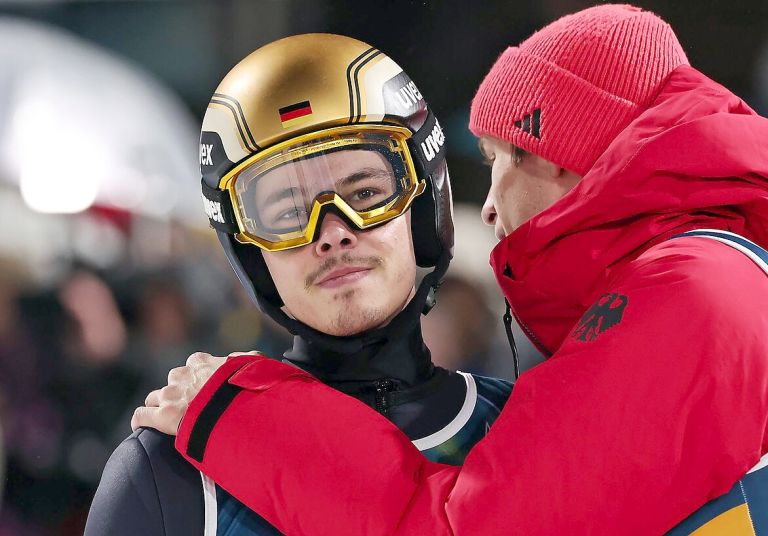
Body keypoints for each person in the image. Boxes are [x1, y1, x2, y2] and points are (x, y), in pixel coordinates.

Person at [135, 6, 768, 535]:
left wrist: (241, 417)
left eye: (502, 159)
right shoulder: (698, 284)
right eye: (285, 210)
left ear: (568, 154)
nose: (491, 208)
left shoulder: (694, 293)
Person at [84, 33, 512, 535]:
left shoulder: (524, 427)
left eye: (367, 192)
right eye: (288, 212)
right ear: (251, 252)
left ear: (422, 206)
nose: (332, 233)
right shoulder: (167, 474)